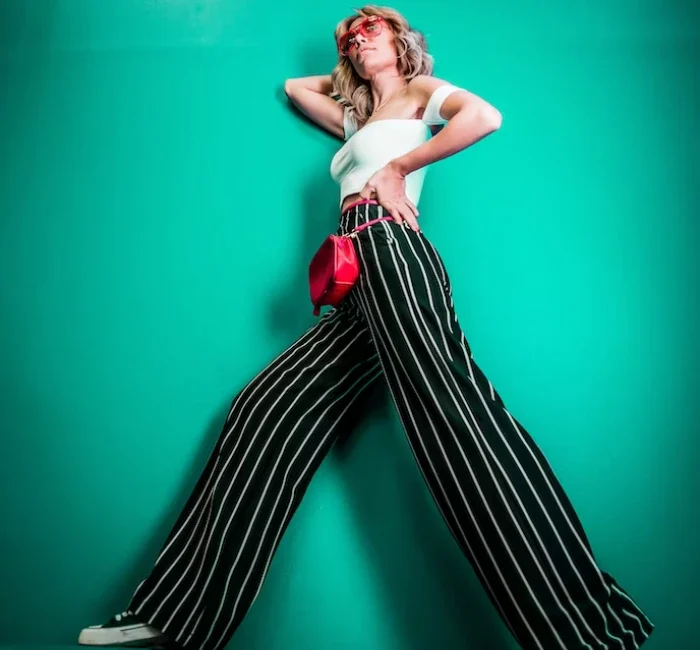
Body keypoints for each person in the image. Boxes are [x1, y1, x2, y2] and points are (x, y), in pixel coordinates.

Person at [78, 5, 655, 650]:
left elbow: (485, 117)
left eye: (372, 25)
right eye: (350, 34)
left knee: (456, 423)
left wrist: (399, 167)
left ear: (404, 39)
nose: (358, 33)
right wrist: (351, 65)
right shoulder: (355, 118)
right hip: (352, 277)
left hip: (393, 252)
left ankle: (588, 634)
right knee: (264, 409)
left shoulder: (420, 95)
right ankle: (177, 618)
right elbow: (301, 90)